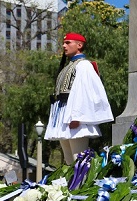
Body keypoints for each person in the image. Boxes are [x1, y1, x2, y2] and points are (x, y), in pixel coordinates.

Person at [45, 33, 114, 165]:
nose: (64, 46)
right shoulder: (69, 66)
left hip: (73, 114)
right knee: (69, 160)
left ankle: (81, 184)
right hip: (62, 115)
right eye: (64, 43)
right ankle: (72, 185)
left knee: (79, 158)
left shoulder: (84, 65)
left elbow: (84, 92)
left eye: (68, 43)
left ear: (79, 45)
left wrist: (77, 117)